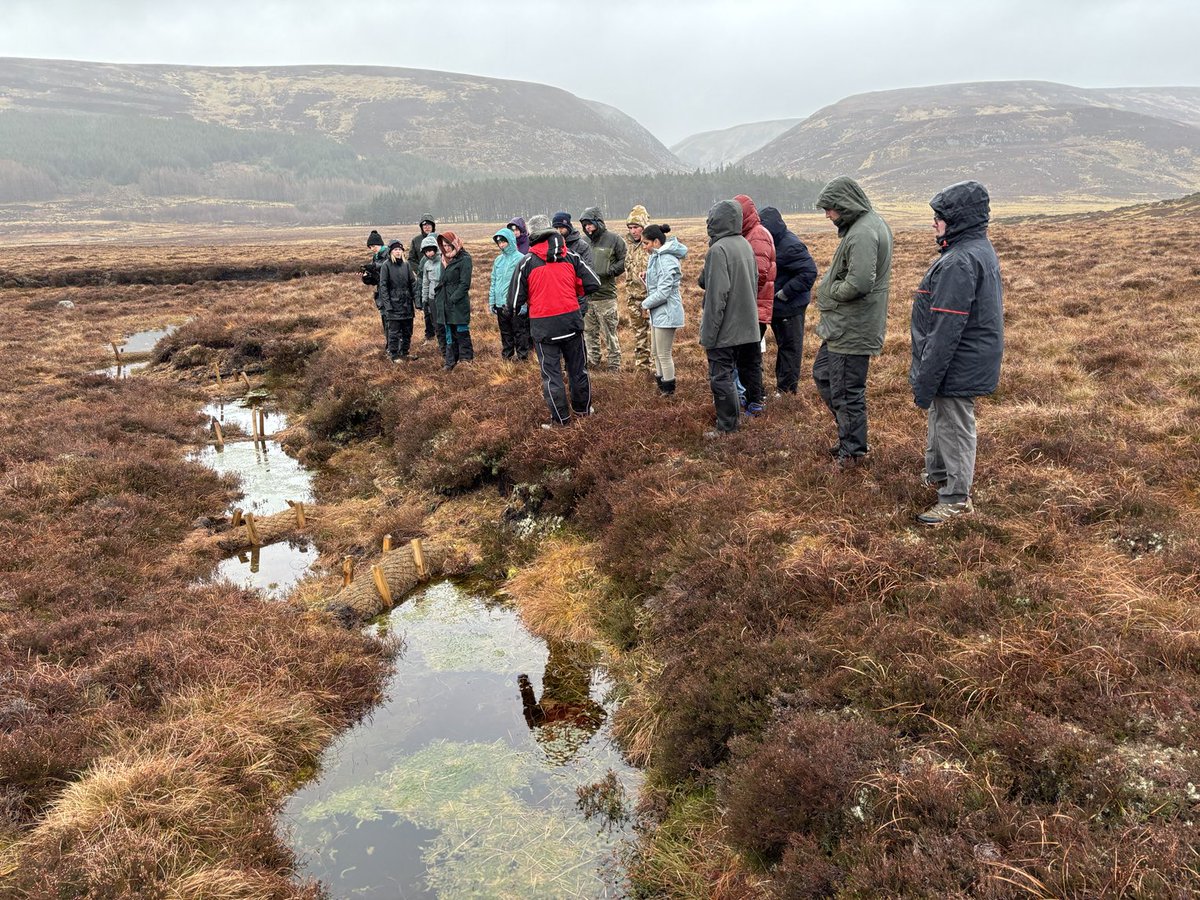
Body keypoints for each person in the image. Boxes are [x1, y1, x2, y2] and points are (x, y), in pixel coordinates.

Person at [910, 180, 1004, 525]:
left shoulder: (959, 261)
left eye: (940, 217)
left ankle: (956, 499)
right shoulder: (973, 250)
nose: (935, 223)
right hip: (964, 356)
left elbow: (946, 328)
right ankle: (939, 475)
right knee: (942, 416)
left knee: (954, 423)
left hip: (957, 359)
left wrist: (926, 373)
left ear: (958, 220)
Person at [812, 176, 893, 470]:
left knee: (847, 389)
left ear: (844, 205)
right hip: (845, 325)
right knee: (824, 374)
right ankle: (851, 437)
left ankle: (853, 452)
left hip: (853, 326)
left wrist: (830, 291)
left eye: (831, 208)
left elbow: (859, 282)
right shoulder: (866, 226)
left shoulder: (862, 233)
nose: (828, 215)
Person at [511, 214, 601, 427]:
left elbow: (514, 301)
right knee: (578, 369)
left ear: (532, 234)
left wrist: (526, 306)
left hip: (544, 327)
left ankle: (561, 421)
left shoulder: (527, 262)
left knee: (552, 375)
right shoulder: (570, 256)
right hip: (571, 321)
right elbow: (594, 283)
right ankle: (583, 411)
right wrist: (575, 291)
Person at [698, 199, 761, 435]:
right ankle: (735, 421)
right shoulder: (744, 244)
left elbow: (717, 297)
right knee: (738, 372)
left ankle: (727, 427)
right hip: (747, 325)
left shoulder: (718, 250)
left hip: (726, 328)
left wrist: (709, 334)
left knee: (721, 376)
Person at [760, 207, 818, 394]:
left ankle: (786, 392)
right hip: (771, 304)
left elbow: (809, 272)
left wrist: (785, 292)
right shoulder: (768, 241)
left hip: (789, 306)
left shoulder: (791, 245)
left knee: (789, 349)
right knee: (762, 346)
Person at [732, 194, 776, 415]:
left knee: (749, 357)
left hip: (755, 308)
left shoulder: (757, 235)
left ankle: (755, 402)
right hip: (753, 307)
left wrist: (737, 292)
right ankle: (751, 399)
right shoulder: (749, 234)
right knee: (745, 357)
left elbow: (758, 273)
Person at [640, 224, 687, 395]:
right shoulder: (657, 256)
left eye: (646, 243)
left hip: (666, 312)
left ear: (656, 242)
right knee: (656, 353)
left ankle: (669, 392)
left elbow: (664, 292)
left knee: (664, 354)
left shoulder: (666, 259)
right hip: (658, 312)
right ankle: (662, 388)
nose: (644, 247)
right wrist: (648, 276)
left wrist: (645, 304)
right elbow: (659, 283)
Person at [578, 206, 626, 372]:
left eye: (590, 224)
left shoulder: (614, 239)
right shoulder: (583, 242)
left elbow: (624, 259)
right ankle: (594, 360)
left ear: (598, 222)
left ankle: (614, 363)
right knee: (589, 333)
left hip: (606, 296)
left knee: (610, 332)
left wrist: (611, 270)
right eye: (585, 225)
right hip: (587, 297)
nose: (587, 227)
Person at [434, 232, 473, 370]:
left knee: (461, 329)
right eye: (443, 246)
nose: (446, 248)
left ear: (454, 243)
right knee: (449, 331)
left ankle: (465, 359)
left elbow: (464, 284)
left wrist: (453, 298)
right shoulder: (443, 259)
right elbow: (442, 280)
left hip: (457, 302)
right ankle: (450, 361)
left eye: (448, 245)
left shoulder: (465, 259)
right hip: (444, 301)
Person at [489, 227, 527, 360]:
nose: (501, 245)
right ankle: (507, 355)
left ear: (510, 240)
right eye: (499, 243)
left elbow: (525, 284)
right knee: (505, 331)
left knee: (519, 331)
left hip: (515, 303)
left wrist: (524, 305)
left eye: (503, 242)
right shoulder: (498, 260)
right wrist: (492, 301)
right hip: (500, 303)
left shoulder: (521, 259)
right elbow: (494, 281)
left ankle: (522, 356)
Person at [377, 240, 418, 361]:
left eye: (400, 249)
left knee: (407, 331)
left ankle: (405, 352)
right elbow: (383, 286)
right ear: (391, 252)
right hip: (393, 304)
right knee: (394, 332)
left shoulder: (407, 265)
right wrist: (387, 305)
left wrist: (416, 301)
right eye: (395, 250)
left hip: (407, 304)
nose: (398, 252)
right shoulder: (386, 265)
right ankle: (393, 355)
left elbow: (413, 283)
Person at [624, 205, 653, 374]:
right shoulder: (629, 245)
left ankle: (659, 371)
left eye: (636, 227)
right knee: (639, 336)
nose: (633, 231)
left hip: (651, 299)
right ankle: (643, 371)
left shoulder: (652, 244)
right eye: (630, 228)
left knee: (653, 337)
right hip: (633, 298)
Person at [408, 215, 437, 340]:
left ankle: (441, 332)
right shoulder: (416, 240)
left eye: (429, 225)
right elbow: (411, 259)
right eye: (424, 225)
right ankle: (429, 334)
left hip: (437, 277)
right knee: (426, 306)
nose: (427, 227)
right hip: (423, 278)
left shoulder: (439, 238)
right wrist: (419, 271)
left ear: (433, 226)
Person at [418, 233, 444, 356]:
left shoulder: (444, 260)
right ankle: (442, 346)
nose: (429, 254)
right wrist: (424, 299)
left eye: (431, 250)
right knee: (436, 324)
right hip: (432, 298)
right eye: (426, 252)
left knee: (445, 323)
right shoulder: (426, 264)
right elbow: (425, 283)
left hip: (444, 297)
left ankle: (449, 345)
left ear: (436, 249)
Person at [366, 230, 390, 352]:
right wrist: (367, 278)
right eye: (370, 247)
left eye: (374, 246)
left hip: (391, 294)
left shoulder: (389, 253)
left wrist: (375, 267)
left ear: (380, 244)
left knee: (392, 320)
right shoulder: (375, 257)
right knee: (385, 319)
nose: (372, 248)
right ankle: (389, 346)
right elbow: (377, 278)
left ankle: (395, 347)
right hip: (381, 293)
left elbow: (389, 267)